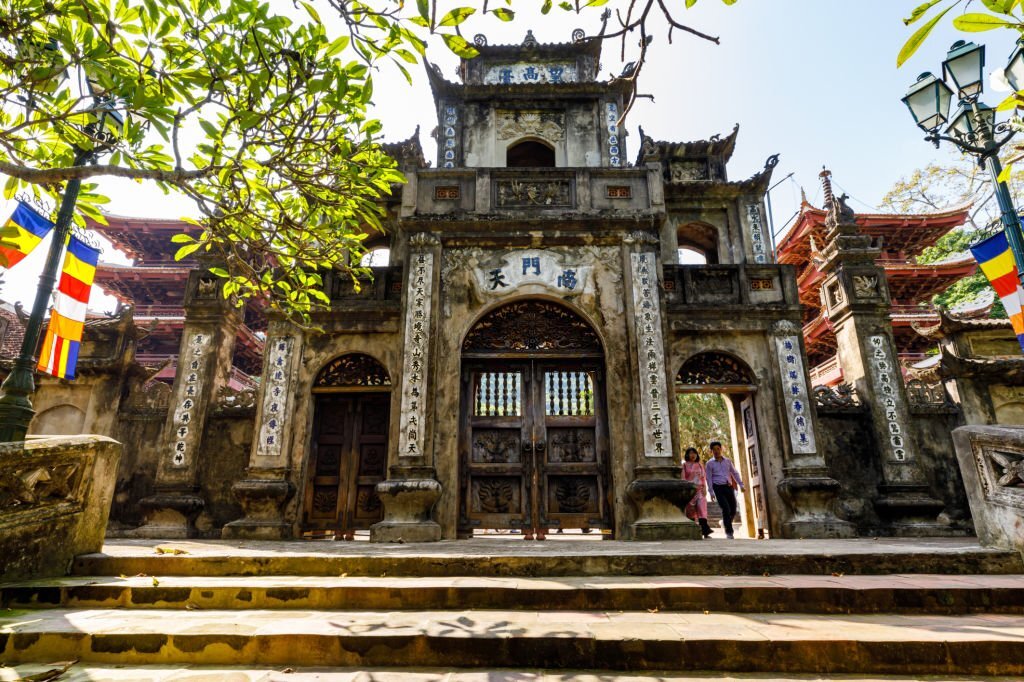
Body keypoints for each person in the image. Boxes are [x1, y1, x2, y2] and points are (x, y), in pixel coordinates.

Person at [705, 441, 744, 539]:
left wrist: (741, 484)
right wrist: (711, 492)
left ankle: (726, 522)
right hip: (718, 488)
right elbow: (708, 478)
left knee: (733, 510)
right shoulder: (709, 464)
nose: (716, 451)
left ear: (721, 449)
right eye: (714, 450)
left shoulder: (727, 461)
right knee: (726, 509)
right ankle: (729, 532)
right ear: (711, 451)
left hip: (729, 487)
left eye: (718, 449)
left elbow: (735, 473)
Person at [682, 447, 712, 538]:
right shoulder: (684, 465)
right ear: (687, 455)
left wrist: (705, 488)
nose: (693, 455)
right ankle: (692, 531)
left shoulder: (699, 465)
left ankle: (705, 531)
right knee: (690, 511)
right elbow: (683, 478)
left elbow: (703, 478)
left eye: (694, 453)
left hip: (699, 490)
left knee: (701, 508)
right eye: (690, 453)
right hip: (690, 491)